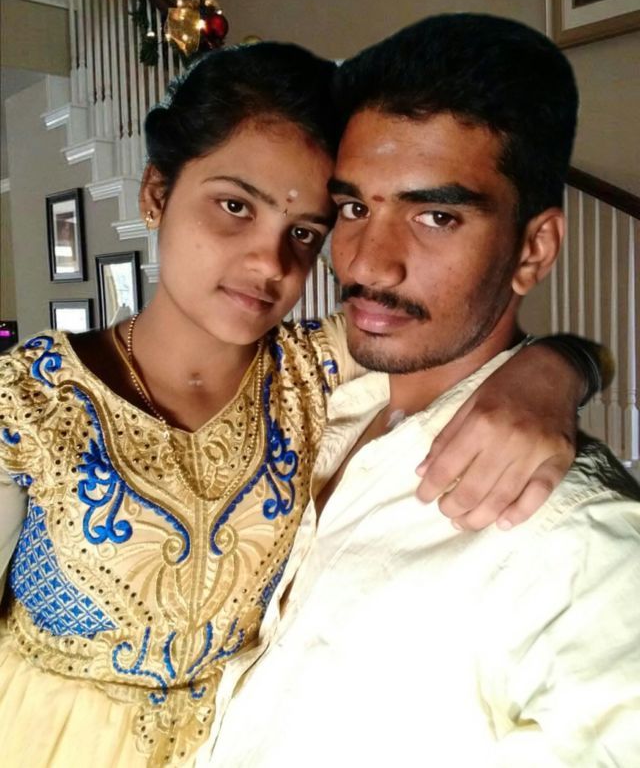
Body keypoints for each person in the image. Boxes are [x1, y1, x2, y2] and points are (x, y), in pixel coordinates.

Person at [0, 41, 607, 768]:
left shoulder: (321, 368)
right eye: (234, 207)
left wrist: (556, 367)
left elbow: (464, 337)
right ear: (156, 192)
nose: (270, 262)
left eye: (305, 232)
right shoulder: (26, 397)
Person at [205, 15, 640, 767]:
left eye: (436, 216)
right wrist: (568, 362)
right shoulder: (321, 404)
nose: (368, 263)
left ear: (533, 250)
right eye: (354, 208)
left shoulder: (583, 547)